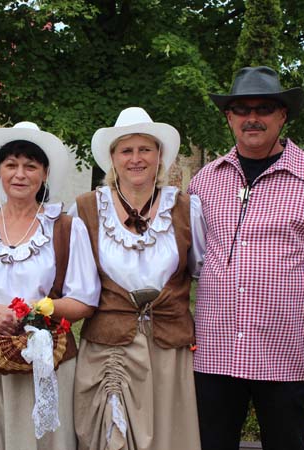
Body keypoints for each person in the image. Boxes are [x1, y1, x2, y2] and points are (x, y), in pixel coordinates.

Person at [188, 66, 304, 450]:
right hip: (215, 356)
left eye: (264, 108)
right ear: (229, 117)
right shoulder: (204, 182)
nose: (252, 117)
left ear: (282, 115)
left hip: (283, 357)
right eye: (242, 109)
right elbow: (186, 259)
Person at [0, 121, 100, 449]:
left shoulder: (65, 227)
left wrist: (38, 310)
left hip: (47, 363)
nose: (20, 174)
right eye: (11, 165)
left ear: (45, 173)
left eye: (30, 166)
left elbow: (84, 300)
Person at [71, 107, 206, 450]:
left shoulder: (185, 208)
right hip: (108, 350)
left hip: (168, 352)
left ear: (159, 156)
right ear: (113, 158)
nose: (136, 159)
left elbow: (203, 273)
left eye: (145, 149)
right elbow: (71, 281)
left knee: (168, 439)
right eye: (126, 150)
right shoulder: (86, 209)